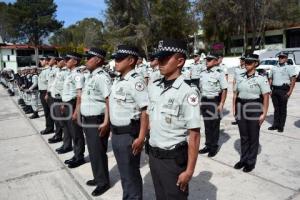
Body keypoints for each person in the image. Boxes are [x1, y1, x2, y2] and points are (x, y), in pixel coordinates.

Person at [147, 39, 202, 200]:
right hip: (154, 156)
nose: (159, 62)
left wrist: (189, 171)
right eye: (159, 58)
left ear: (180, 61)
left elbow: (194, 134)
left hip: (172, 161)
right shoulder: (155, 86)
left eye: (165, 58)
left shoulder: (188, 91)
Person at [109, 45, 149, 200]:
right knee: (124, 173)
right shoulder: (118, 80)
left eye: (119, 59)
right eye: (115, 59)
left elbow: (145, 111)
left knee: (131, 173)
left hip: (129, 135)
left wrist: (141, 137)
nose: (115, 62)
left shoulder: (136, 81)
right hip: (118, 134)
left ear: (131, 60)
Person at [80, 48, 111, 196]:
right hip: (88, 119)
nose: (86, 61)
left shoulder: (101, 77)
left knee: (98, 152)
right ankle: (98, 177)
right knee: (93, 151)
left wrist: (106, 122)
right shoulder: (91, 76)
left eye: (89, 58)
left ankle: (103, 182)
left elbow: (108, 100)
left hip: (97, 120)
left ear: (98, 60)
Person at [233, 53, 270, 172]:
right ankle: (243, 159)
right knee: (243, 136)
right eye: (245, 62)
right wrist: (234, 109)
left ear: (255, 64)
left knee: (253, 136)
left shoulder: (261, 78)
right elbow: (235, 94)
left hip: (254, 106)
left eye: (249, 62)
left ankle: (250, 162)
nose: (246, 64)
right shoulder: (240, 77)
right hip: (241, 106)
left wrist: (264, 113)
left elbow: (265, 96)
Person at [58, 52, 85, 169]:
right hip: (68, 104)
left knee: (76, 132)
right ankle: (76, 154)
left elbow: (79, 95)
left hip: (74, 104)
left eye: (68, 59)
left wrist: (76, 111)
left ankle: (79, 157)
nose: (66, 61)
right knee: (71, 131)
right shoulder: (70, 74)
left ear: (75, 61)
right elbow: (68, 92)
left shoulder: (77, 74)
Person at [199, 53, 228, 157]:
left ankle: (214, 147)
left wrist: (221, 104)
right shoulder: (203, 73)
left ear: (216, 61)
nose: (207, 61)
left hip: (214, 101)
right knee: (207, 125)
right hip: (204, 101)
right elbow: (200, 88)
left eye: (210, 60)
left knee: (214, 126)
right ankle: (207, 145)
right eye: (207, 59)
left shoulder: (219, 73)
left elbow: (224, 89)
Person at [268, 52, 297, 132]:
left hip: (284, 90)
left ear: (286, 59)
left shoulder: (289, 68)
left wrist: (290, 92)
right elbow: (270, 79)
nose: (281, 59)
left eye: (283, 57)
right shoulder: (273, 68)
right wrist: (269, 89)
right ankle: (275, 125)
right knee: (276, 109)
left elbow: (293, 80)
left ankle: (281, 126)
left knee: (283, 109)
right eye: (280, 57)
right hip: (275, 90)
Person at [48, 57, 67, 144]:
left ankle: (65, 141)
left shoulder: (65, 72)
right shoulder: (58, 71)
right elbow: (53, 84)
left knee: (62, 122)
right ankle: (58, 135)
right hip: (54, 97)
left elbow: (65, 88)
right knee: (57, 119)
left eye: (59, 61)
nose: (58, 62)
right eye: (57, 61)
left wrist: (63, 102)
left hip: (61, 99)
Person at [38, 56, 54, 135]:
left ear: (46, 61)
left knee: (48, 112)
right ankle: (49, 127)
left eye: (42, 60)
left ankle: (49, 128)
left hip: (45, 92)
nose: (40, 62)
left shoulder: (47, 71)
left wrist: (47, 94)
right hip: (42, 92)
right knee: (46, 111)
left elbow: (49, 83)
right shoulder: (44, 70)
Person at [232, 55, 246, 125]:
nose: (241, 61)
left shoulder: (247, 69)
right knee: (236, 104)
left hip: (243, 89)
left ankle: (243, 119)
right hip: (237, 89)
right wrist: (233, 88)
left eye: (243, 60)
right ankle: (237, 119)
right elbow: (234, 79)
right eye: (241, 60)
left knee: (243, 104)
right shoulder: (236, 69)